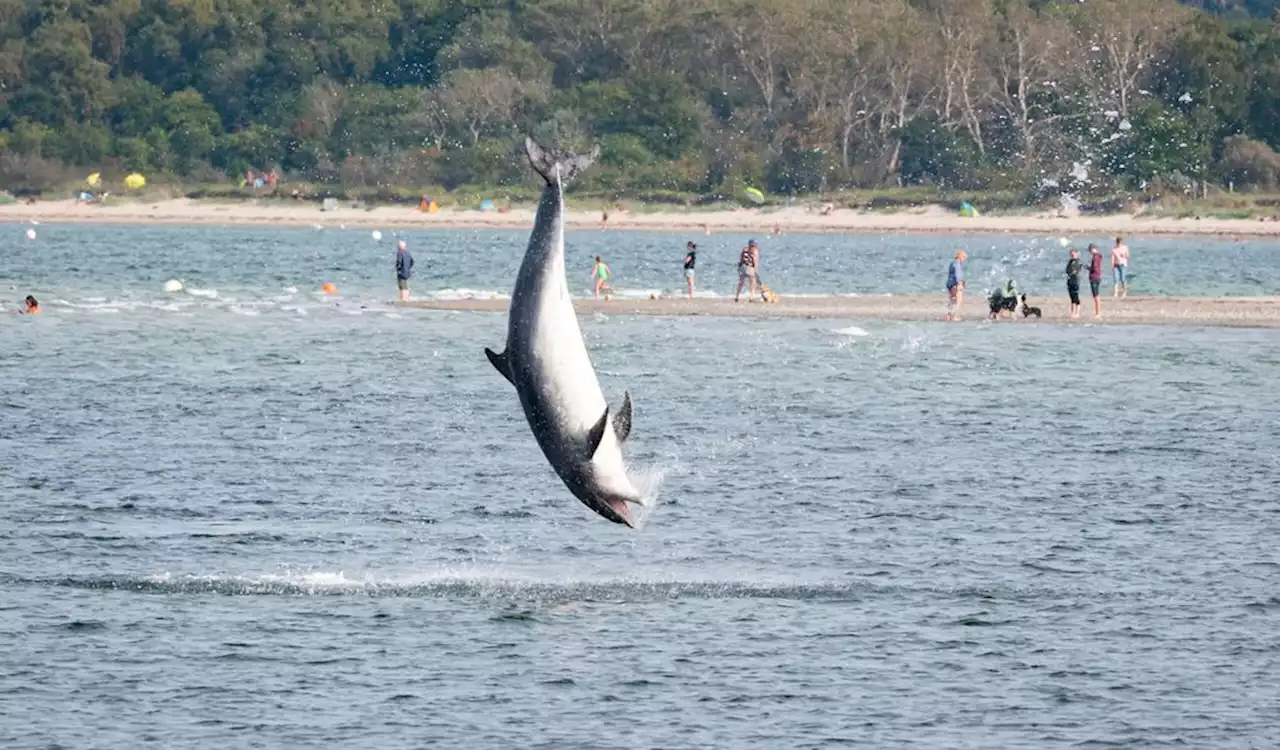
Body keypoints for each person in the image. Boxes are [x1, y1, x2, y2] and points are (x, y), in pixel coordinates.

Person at [946, 249, 967, 321]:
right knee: (958, 301)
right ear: (960, 257)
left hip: (950, 284)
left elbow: (950, 274)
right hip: (955, 284)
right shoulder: (957, 264)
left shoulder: (952, 263)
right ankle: (955, 316)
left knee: (952, 301)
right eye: (964, 257)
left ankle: (948, 316)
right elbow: (957, 275)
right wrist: (960, 284)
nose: (964, 259)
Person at [1065, 247, 1083, 319]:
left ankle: (1077, 313)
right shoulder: (1070, 261)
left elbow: (1078, 270)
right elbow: (1067, 270)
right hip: (1070, 280)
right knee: (1072, 297)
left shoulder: (1078, 262)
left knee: (1076, 297)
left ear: (1076, 254)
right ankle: (1072, 312)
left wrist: (1073, 272)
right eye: (1071, 254)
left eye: (1073, 254)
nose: (1072, 256)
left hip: (1075, 280)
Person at [1088, 243, 1104, 319]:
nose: (1090, 252)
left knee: (1096, 296)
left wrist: (1090, 268)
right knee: (1096, 296)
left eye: (1090, 250)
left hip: (1094, 277)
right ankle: (1098, 313)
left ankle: (1098, 313)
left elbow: (1094, 267)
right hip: (1097, 276)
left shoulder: (1095, 257)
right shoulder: (1099, 256)